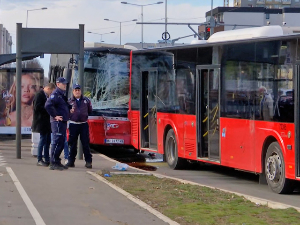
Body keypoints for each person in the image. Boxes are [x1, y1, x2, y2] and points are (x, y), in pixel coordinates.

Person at [45, 77, 71, 171]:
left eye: (65, 83)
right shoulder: (55, 94)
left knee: (60, 142)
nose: (65, 85)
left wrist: (69, 109)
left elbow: (63, 106)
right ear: (58, 84)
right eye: (63, 83)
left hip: (63, 121)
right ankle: (53, 162)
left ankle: (57, 161)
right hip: (58, 122)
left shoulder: (62, 95)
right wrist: (55, 116)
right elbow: (48, 105)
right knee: (56, 142)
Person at [67, 84, 93, 168]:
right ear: (73, 91)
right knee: (72, 144)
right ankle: (71, 161)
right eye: (75, 90)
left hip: (83, 124)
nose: (77, 92)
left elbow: (90, 110)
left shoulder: (86, 100)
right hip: (73, 124)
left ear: (81, 91)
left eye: (78, 90)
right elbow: (66, 111)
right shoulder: (69, 101)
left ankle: (88, 162)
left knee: (85, 144)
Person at [32, 83, 56, 167]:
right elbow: (37, 107)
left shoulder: (46, 96)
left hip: (46, 122)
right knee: (43, 140)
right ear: (49, 89)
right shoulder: (39, 95)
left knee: (47, 141)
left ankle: (46, 158)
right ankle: (39, 159)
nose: (51, 94)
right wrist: (48, 109)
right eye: (52, 91)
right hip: (41, 121)